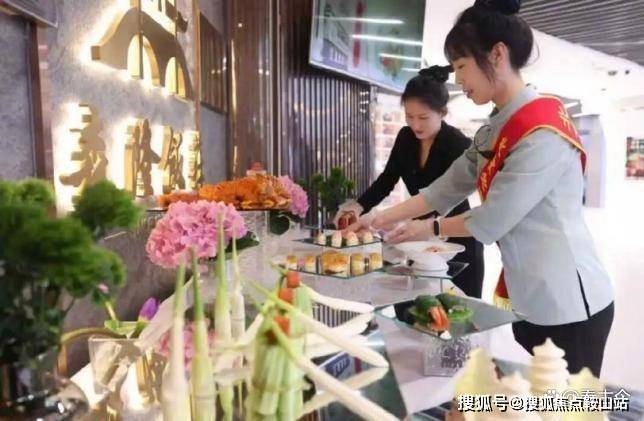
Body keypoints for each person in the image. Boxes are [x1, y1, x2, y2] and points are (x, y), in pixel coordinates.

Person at [347, 0, 614, 377]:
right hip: (529, 294)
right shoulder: (497, 126)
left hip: (569, 302)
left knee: (569, 404)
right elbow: (444, 189)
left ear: (497, 54)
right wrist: (378, 218)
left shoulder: (542, 131)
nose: (457, 80)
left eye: (461, 66)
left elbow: (493, 219)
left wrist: (427, 228)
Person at [335, 65, 484, 299]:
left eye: (423, 118)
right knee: (416, 306)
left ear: (443, 112)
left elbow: (442, 198)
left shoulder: (458, 144)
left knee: (458, 310)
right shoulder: (406, 137)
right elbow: (387, 180)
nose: (416, 125)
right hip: (417, 240)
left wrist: (390, 220)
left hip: (457, 241)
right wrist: (358, 207)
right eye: (409, 116)